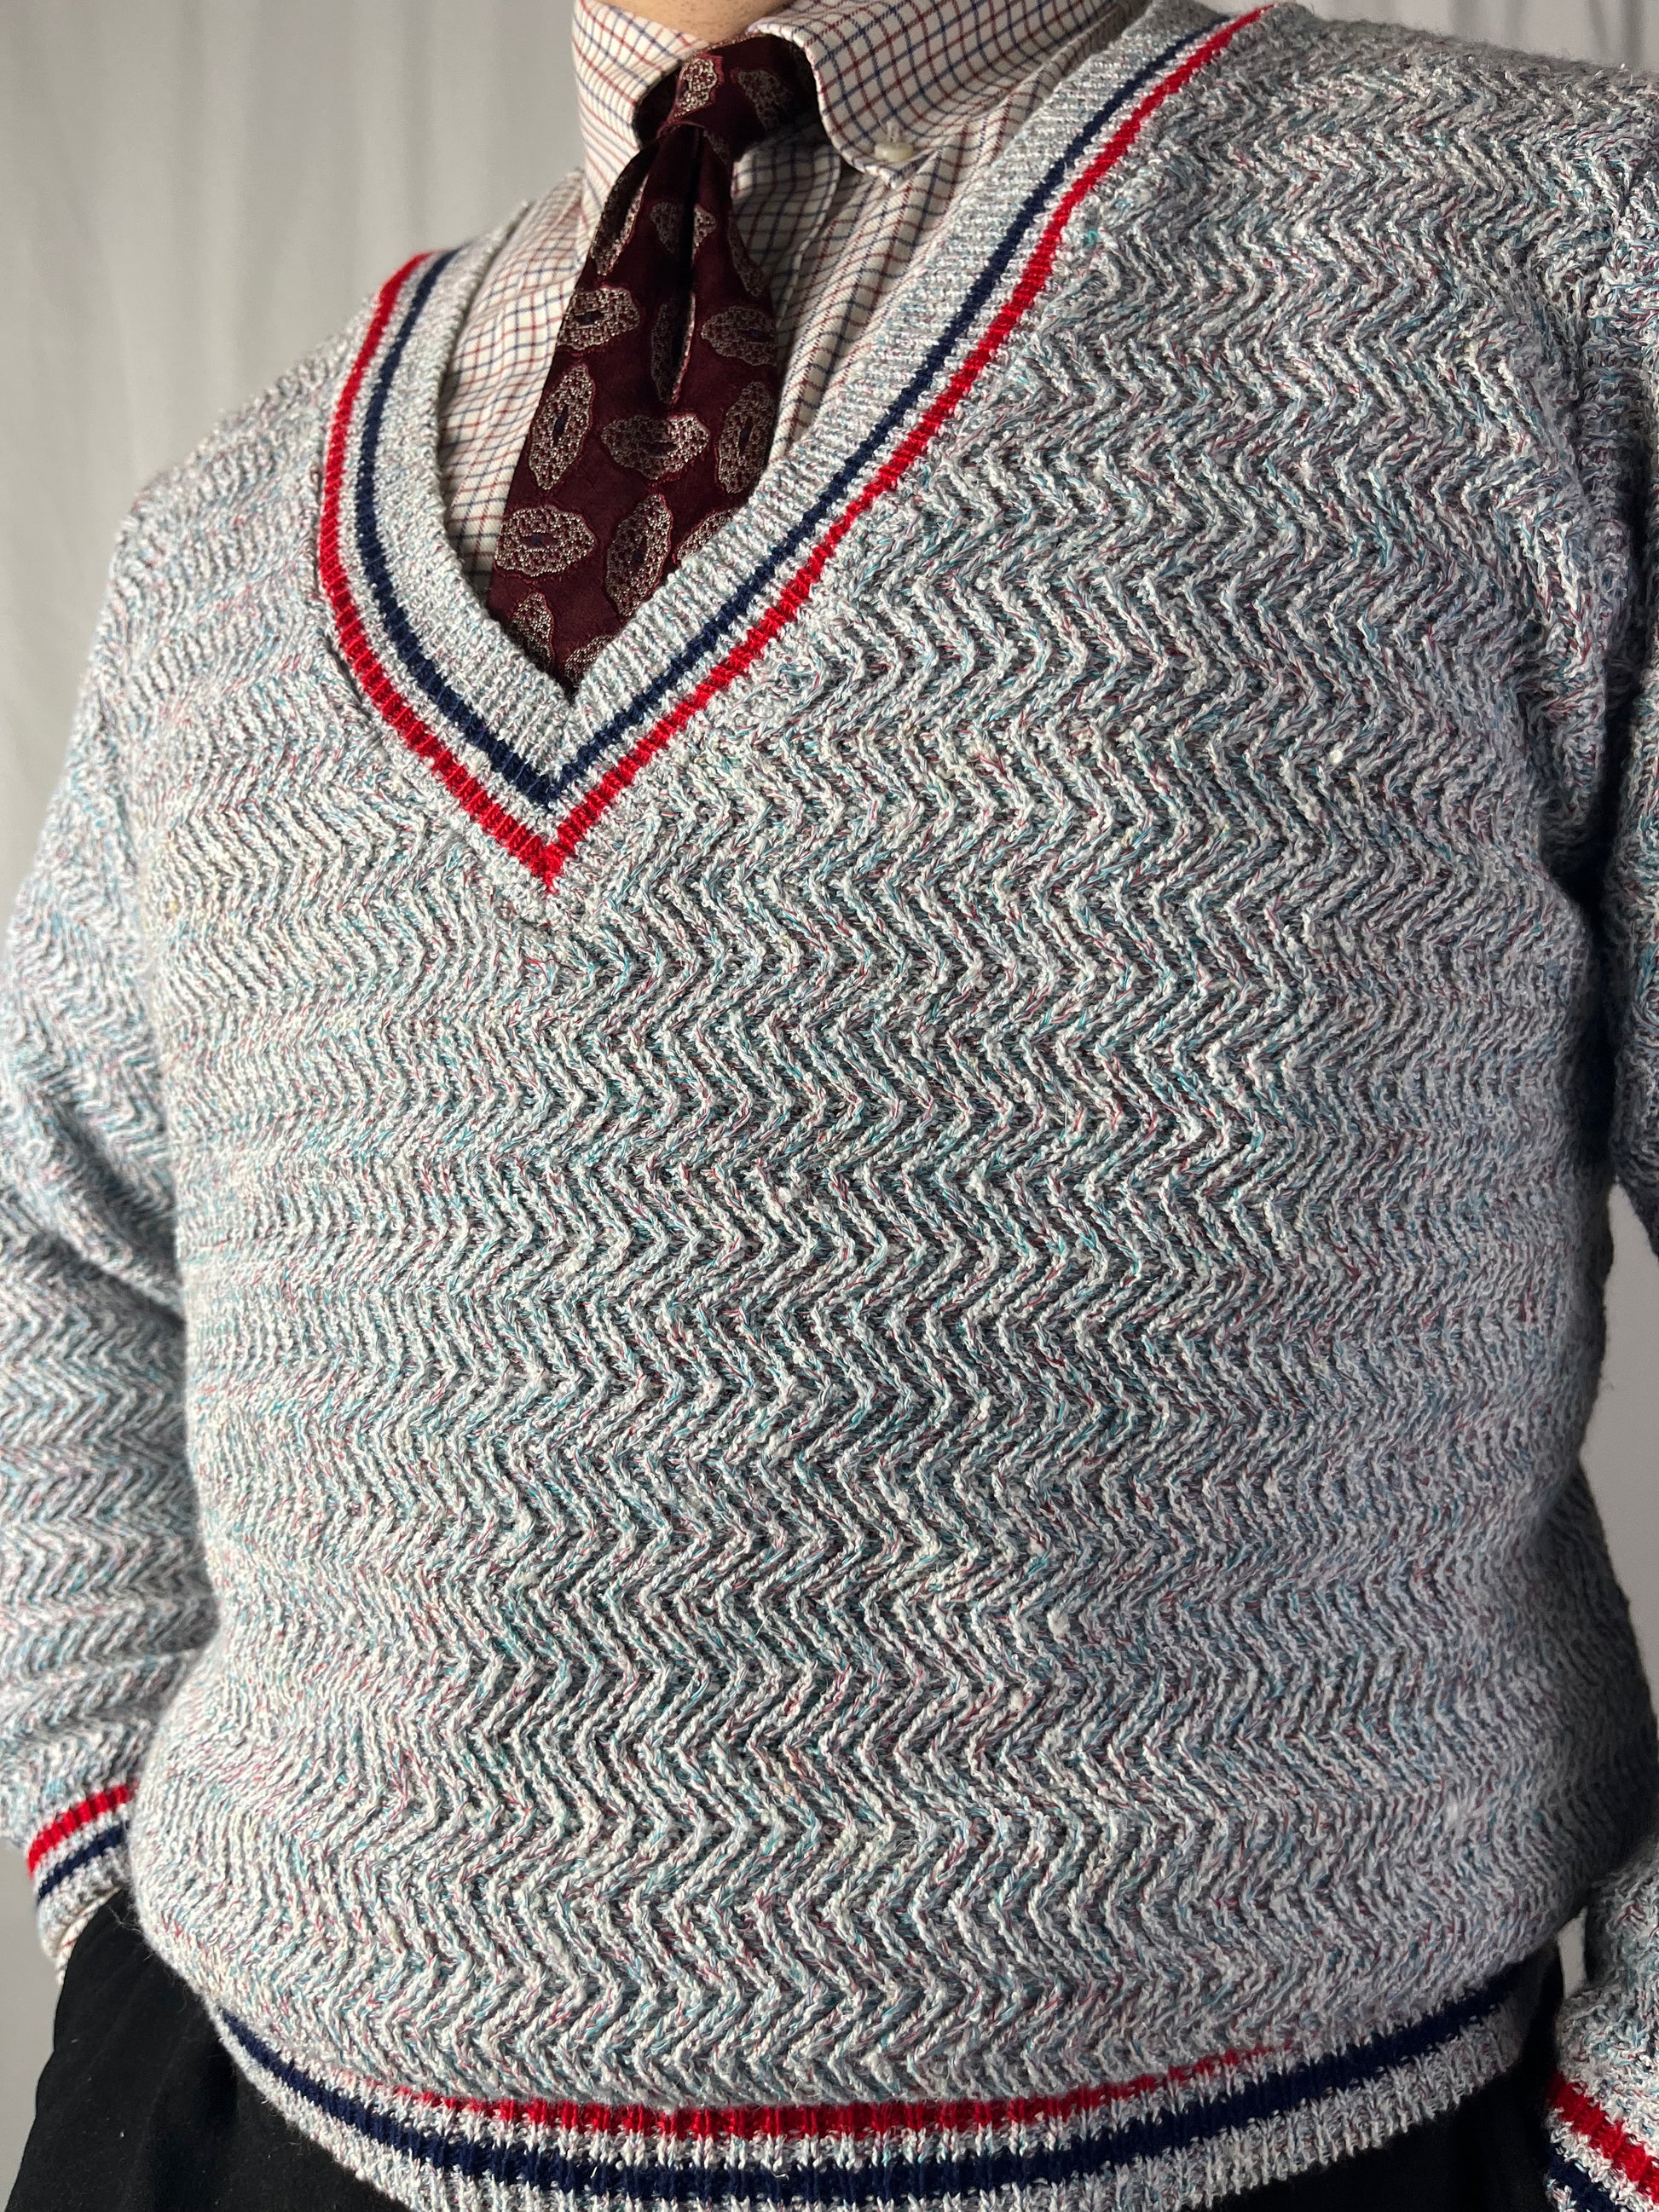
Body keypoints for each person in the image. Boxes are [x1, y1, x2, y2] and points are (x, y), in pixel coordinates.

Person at [2, 0, 1657, 2202]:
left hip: (1279, 2150)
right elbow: (66, 1241)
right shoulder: (221, 527)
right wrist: (112, 1902)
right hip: (245, 2119)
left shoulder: (1542, 258)